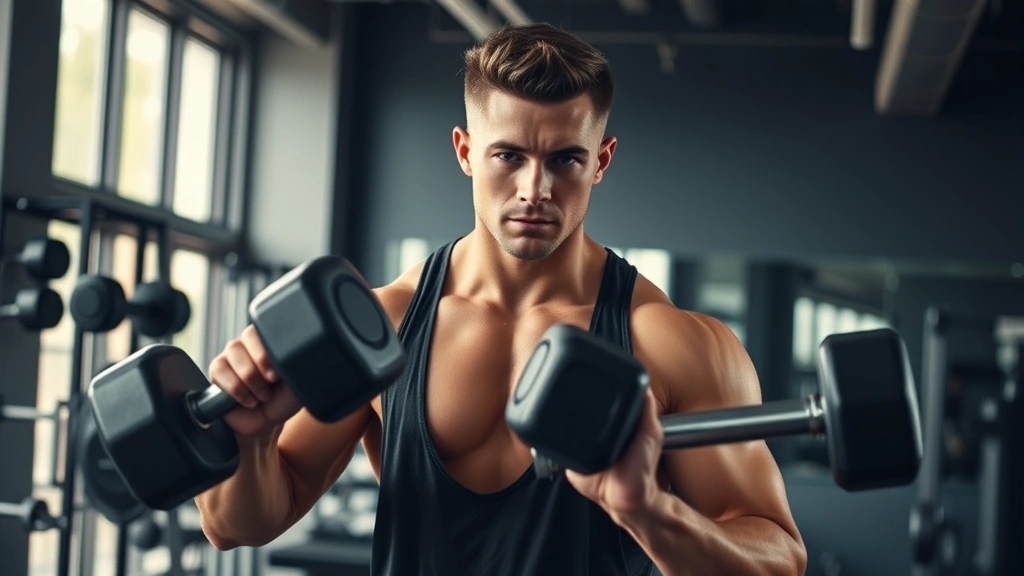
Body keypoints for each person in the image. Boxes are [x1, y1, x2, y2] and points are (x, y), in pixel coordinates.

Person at [196, 22, 807, 576]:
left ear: (602, 160)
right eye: (509, 156)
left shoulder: (670, 344)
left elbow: (779, 560)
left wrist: (647, 512)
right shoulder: (388, 324)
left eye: (565, 158)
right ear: (465, 151)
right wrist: (250, 439)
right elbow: (233, 527)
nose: (534, 189)